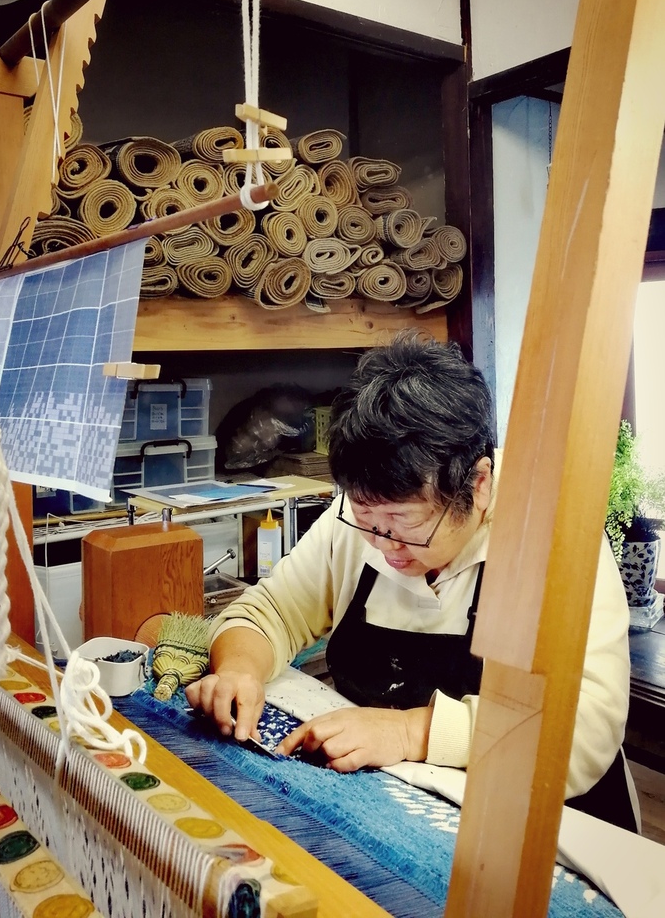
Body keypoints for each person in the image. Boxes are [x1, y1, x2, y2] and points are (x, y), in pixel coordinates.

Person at [186, 332, 638, 832]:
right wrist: (240, 671)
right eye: (367, 519)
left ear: (478, 485)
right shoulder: (368, 509)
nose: (381, 542)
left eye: (405, 524)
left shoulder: (552, 529)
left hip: (553, 829)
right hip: (402, 811)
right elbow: (270, 610)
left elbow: (584, 725)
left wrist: (411, 732)